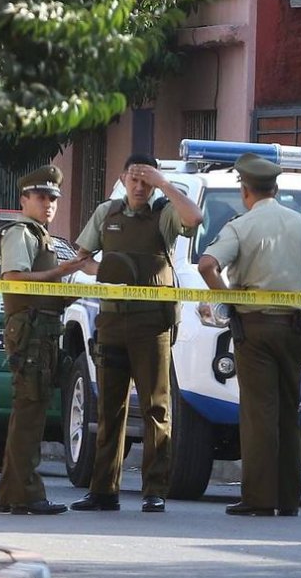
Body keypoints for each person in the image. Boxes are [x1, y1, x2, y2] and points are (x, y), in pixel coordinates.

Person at [197, 153, 301, 517]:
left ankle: (258, 498)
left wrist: (226, 300)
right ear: (276, 188)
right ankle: (288, 499)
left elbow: (207, 265)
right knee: (289, 412)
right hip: (296, 330)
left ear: (245, 191)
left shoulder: (241, 227)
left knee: (259, 414)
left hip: (254, 330)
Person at [70, 154, 203, 514]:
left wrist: (164, 182)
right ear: (123, 179)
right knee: (110, 408)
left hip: (152, 325)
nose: (140, 187)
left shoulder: (164, 212)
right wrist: (106, 273)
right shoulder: (107, 213)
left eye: (146, 181)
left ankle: (154, 489)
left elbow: (194, 218)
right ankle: (103, 490)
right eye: (135, 180)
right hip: (112, 321)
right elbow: (82, 254)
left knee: (155, 408)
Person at [0, 165, 90, 515]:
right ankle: (26, 494)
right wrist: (62, 272)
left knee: (29, 414)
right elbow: (16, 279)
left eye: (53, 198)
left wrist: (70, 290)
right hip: (31, 336)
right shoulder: (22, 232)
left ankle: (11, 492)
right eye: (40, 196)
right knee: (29, 416)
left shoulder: (40, 234)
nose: (48, 203)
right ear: (24, 199)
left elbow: (41, 289)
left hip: (43, 332)